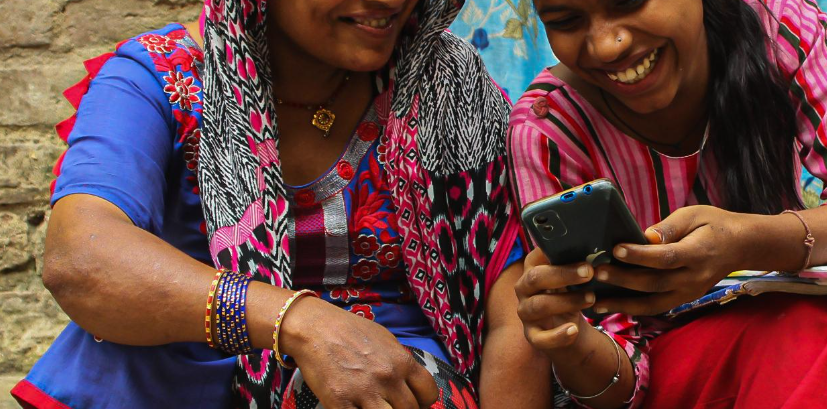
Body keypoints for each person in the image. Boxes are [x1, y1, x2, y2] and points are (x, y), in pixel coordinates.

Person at [11, 1, 549, 408]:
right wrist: (301, 322)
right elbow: (81, 259)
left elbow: (513, 313)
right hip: (180, 380)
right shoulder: (161, 78)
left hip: (395, 380)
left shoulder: (448, 90)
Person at [507, 0, 827, 408]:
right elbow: (623, 384)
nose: (607, 43)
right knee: (800, 327)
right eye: (567, 20)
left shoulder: (779, 29)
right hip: (681, 367)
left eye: (629, 1)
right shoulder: (550, 129)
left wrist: (748, 241)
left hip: (800, 334)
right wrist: (569, 342)